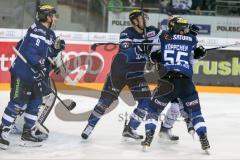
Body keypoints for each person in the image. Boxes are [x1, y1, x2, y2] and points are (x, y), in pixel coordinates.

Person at [81, 9, 162, 140]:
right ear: (135, 21)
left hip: (136, 74)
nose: (145, 20)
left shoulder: (152, 31)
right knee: (105, 102)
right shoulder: (126, 33)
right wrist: (140, 46)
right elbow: (126, 50)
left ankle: (130, 128)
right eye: (142, 18)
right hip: (119, 72)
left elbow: (165, 37)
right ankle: (90, 126)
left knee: (146, 102)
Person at [141, 16, 210, 153]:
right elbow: (192, 60)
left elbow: (152, 57)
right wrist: (197, 54)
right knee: (195, 113)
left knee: (153, 111)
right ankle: (203, 137)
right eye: (182, 27)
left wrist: (155, 56)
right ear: (175, 26)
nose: (184, 29)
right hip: (185, 83)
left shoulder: (162, 37)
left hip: (167, 81)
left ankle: (149, 137)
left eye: (185, 27)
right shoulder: (191, 39)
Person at [0, 4, 60, 149]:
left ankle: (27, 132)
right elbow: (31, 53)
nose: (56, 18)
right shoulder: (38, 30)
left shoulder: (48, 33)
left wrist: (55, 50)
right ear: (47, 17)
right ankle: (3, 132)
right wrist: (40, 66)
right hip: (23, 72)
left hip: (34, 75)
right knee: (17, 102)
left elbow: (46, 54)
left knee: (36, 102)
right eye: (53, 15)